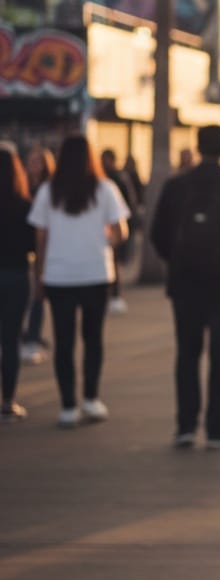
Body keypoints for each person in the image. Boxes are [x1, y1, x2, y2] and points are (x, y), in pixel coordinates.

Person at [149, 125, 220, 448]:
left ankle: (185, 427)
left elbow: (158, 233)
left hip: (185, 284)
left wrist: (175, 261)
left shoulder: (176, 185)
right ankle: (216, 429)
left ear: (197, 147)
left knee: (187, 354)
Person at [28, 134, 130, 428]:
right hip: (95, 273)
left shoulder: (49, 191)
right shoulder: (105, 188)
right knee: (93, 339)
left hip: (59, 275)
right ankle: (91, 398)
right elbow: (121, 232)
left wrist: (40, 274)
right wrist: (101, 241)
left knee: (64, 341)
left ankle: (68, 406)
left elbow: (40, 237)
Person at [0, 143, 36, 420]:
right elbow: (34, 244)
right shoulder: (25, 205)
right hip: (16, 275)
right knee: (10, 340)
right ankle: (8, 401)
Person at [21, 144, 55, 364]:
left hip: (42, 248)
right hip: (22, 249)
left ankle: (32, 334)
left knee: (38, 295)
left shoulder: (49, 190)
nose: (33, 165)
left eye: (38, 161)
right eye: (31, 161)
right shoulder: (20, 187)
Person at [99, 148, 139, 314]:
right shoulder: (107, 182)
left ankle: (115, 295)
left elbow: (129, 204)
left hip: (112, 230)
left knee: (115, 264)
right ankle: (113, 295)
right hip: (110, 231)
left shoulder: (113, 181)